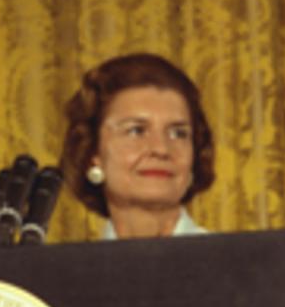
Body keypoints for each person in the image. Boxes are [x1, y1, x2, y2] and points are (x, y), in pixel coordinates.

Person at [59, 53, 214, 238]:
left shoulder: (236, 264)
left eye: (178, 133)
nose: (161, 149)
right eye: (136, 131)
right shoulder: (72, 267)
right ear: (93, 152)